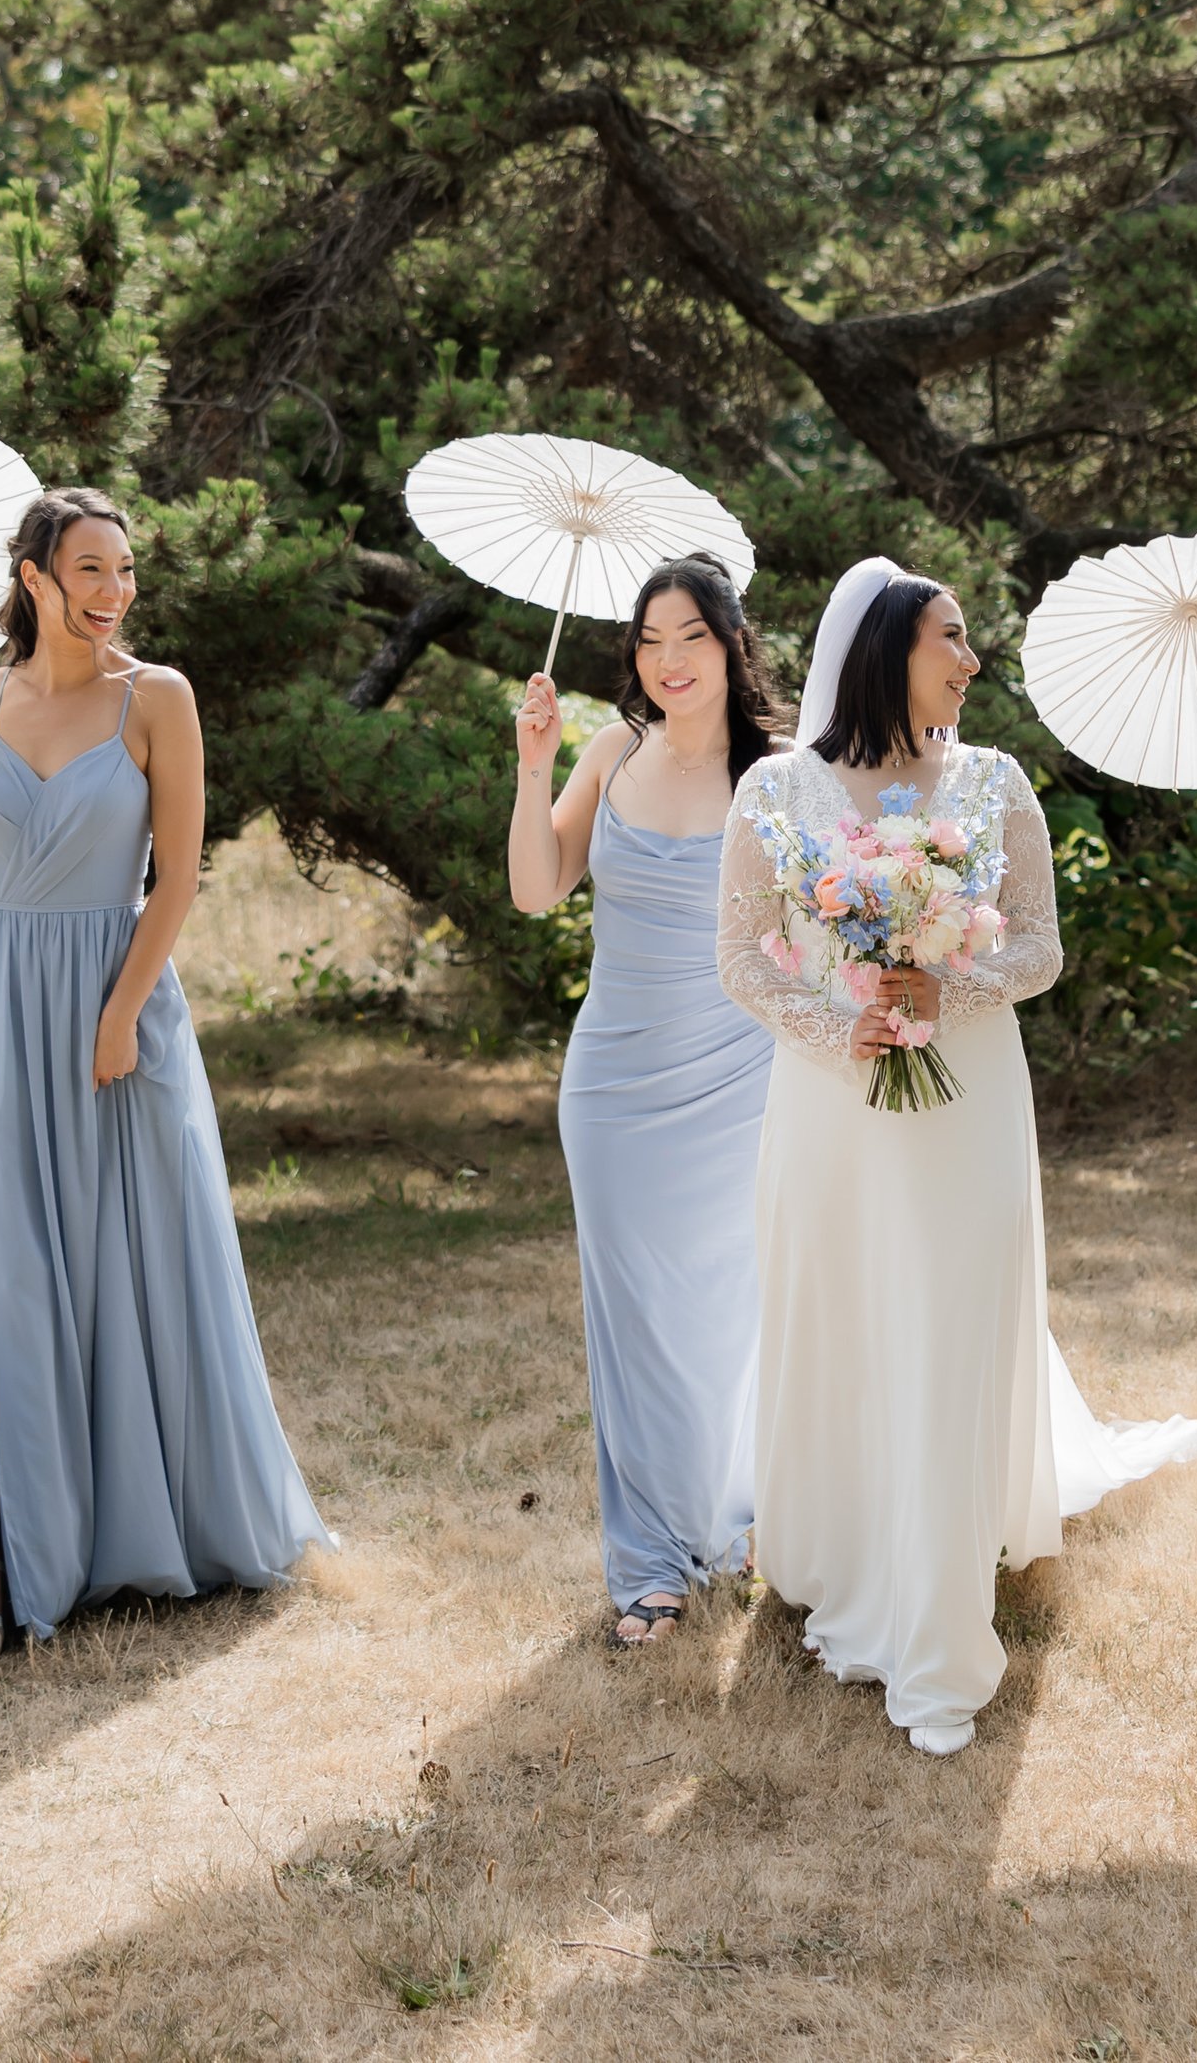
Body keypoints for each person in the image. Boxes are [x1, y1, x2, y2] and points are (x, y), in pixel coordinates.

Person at [718, 557, 1197, 1755]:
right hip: (831, 1102)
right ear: (892, 647)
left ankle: (938, 1605)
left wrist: (945, 983)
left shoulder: (993, 785)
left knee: (948, 1317)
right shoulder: (775, 791)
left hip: (968, 1091)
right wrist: (851, 1028)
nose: (973, 660)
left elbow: (1039, 948)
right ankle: (848, 1547)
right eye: (954, 637)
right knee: (848, 1312)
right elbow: (742, 960)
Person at [0, 486, 329, 1661]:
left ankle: (138, 1526)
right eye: (90, 571)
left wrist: (121, 1012)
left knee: (128, 1267)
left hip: (113, 1000)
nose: (114, 593)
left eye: (126, 572)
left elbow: (179, 877)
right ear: (35, 578)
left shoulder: (160, 698)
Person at [509, 554, 781, 1649]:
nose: (668, 661)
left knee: (737, 1307)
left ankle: (753, 1516)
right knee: (633, 1323)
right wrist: (534, 772)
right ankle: (651, 1566)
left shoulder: (780, 762)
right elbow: (537, 890)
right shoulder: (611, 748)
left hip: (743, 1075)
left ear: (729, 643)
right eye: (650, 641)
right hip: (615, 1080)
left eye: (691, 638)